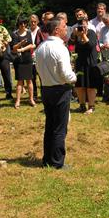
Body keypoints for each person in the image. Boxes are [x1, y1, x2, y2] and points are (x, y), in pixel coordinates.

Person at [35, 17, 77, 169]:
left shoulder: (40, 47)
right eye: (65, 27)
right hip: (60, 89)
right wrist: (75, 77)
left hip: (46, 89)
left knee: (50, 125)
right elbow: (66, 74)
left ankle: (47, 159)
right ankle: (57, 162)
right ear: (57, 30)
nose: (67, 29)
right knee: (60, 127)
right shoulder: (60, 48)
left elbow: (38, 69)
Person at [71, 17, 100, 113]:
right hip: (80, 62)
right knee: (79, 85)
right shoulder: (77, 34)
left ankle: (91, 107)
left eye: (83, 24)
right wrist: (75, 35)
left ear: (87, 24)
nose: (82, 27)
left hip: (90, 63)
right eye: (80, 25)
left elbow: (90, 45)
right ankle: (82, 105)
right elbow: (71, 45)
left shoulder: (91, 33)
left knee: (90, 85)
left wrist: (83, 35)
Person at [11, 18, 36, 108]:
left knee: (29, 80)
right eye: (21, 23)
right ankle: (18, 101)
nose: (23, 25)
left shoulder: (29, 33)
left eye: (24, 23)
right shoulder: (14, 34)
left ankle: (31, 99)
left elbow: (31, 45)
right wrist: (20, 43)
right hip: (19, 60)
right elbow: (13, 48)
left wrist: (22, 48)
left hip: (28, 59)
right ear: (18, 24)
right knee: (20, 81)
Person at [30, 14, 44, 100]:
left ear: (38, 22)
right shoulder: (28, 31)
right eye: (31, 21)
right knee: (32, 76)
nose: (33, 23)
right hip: (30, 56)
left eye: (35, 21)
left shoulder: (40, 30)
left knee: (41, 76)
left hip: (39, 55)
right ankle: (34, 95)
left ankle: (43, 94)